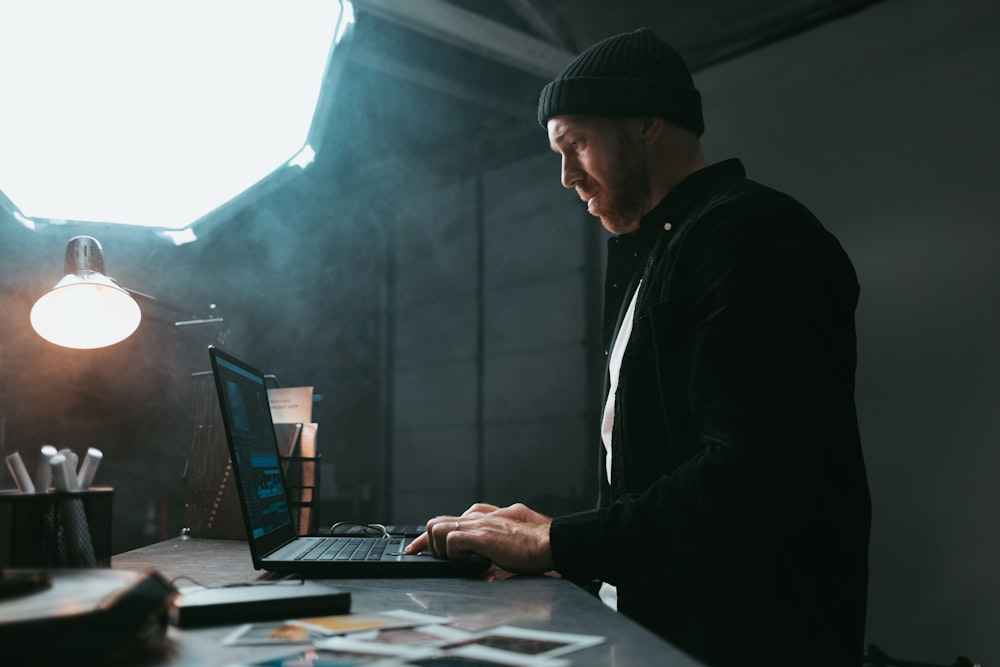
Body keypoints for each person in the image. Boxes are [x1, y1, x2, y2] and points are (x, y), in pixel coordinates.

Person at [405, 27, 871, 667]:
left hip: (740, 643)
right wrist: (567, 556)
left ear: (649, 124)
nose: (566, 176)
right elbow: (656, 481)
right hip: (656, 632)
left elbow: (754, 477)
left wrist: (559, 541)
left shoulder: (751, 237)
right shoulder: (662, 253)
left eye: (577, 144)